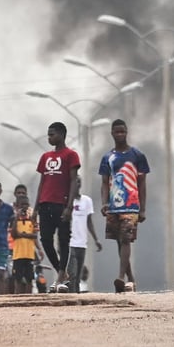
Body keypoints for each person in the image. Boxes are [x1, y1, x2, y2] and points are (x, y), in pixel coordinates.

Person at [99, 119, 150, 293]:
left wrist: (143, 208)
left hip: (131, 205)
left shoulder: (137, 155)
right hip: (114, 206)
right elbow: (105, 182)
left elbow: (142, 183)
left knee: (126, 239)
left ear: (127, 132)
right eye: (117, 132)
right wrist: (104, 202)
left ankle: (120, 277)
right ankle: (131, 280)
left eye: (123, 131)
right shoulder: (108, 157)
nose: (120, 134)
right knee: (120, 243)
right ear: (112, 133)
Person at [34, 121, 80, 287]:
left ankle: (61, 276)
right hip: (45, 204)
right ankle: (61, 270)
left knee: (63, 240)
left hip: (61, 204)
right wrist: (35, 209)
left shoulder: (71, 155)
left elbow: (74, 180)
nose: (49, 137)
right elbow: (42, 182)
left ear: (61, 135)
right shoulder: (45, 157)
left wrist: (69, 206)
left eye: (52, 134)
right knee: (45, 240)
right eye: (48, 134)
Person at [66, 177, 102, 293]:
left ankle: (76, 297)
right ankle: (72, 296)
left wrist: (96, 239)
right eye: (74, 182)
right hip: (70, 242)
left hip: (82, 243)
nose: (77, 184)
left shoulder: (87, 201)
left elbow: (89, 221)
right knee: (72, 273)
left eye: (79, 182)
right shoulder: (66, 201)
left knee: (78, 275)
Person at [8, 184, 40, 295]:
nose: (24, 207)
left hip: (29, 252)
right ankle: (16, 297)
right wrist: (17, 217)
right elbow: (13, 234)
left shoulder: (32, 216)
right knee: (16, 278)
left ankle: (28, 298)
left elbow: (35, 235)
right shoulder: (12, 215)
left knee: (30, 278)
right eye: (22, 205)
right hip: (15, 251)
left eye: (26, 205)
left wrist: (39, 249)